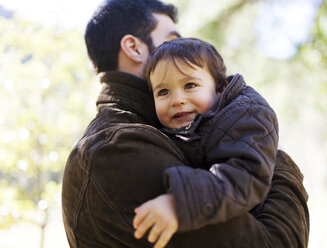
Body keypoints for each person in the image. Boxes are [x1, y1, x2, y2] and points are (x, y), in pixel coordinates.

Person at [61, 0, 310, 247]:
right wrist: (277, 164)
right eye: (170, 41)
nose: (180, 51)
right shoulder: (118, 149)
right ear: (134, 48)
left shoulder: (164, 130)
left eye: (191, 84)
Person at [133, 37, 279, 247]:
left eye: (190, 85)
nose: (177, 99)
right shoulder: (187, 127)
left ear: (220, 88)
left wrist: (179, 204)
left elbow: (245, 177)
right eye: (163, 91)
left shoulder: (246, 115)